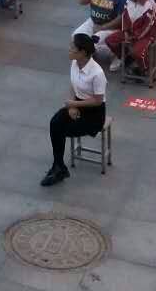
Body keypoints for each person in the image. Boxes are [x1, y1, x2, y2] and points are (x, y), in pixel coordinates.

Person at [41, 33, 108, 186]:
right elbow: (73, 84)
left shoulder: (97, 73)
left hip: (93, 114)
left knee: (61, 129)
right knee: (55, 122)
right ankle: (58, 166)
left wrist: (74, 105)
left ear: (83, 52)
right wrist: (71, 104)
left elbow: (98, 101)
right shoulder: (75, 63)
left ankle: (58, 168)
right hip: (77, 104)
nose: (69, 50)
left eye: (73, 48)